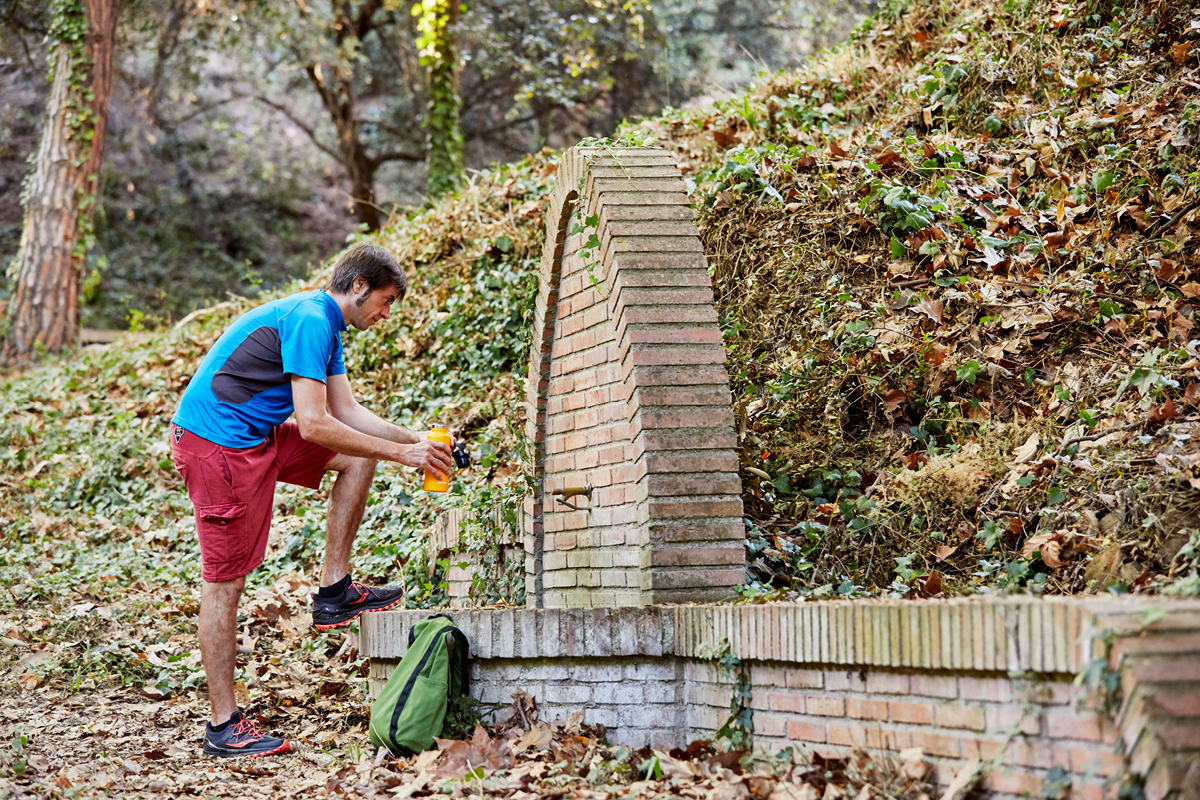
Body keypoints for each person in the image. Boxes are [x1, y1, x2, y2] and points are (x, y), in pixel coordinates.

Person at [170, 243, 454, 758]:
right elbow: (317, 423)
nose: (386, 315)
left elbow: (345, 412)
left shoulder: (328, 326)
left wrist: (415, 442)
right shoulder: (309, 319)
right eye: (386, 301)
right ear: (359, 287)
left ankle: (334, 592)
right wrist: (401, 455)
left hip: (256, 438)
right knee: (225, 583)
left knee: (357, 458)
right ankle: (223, 726)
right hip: (217, 448)